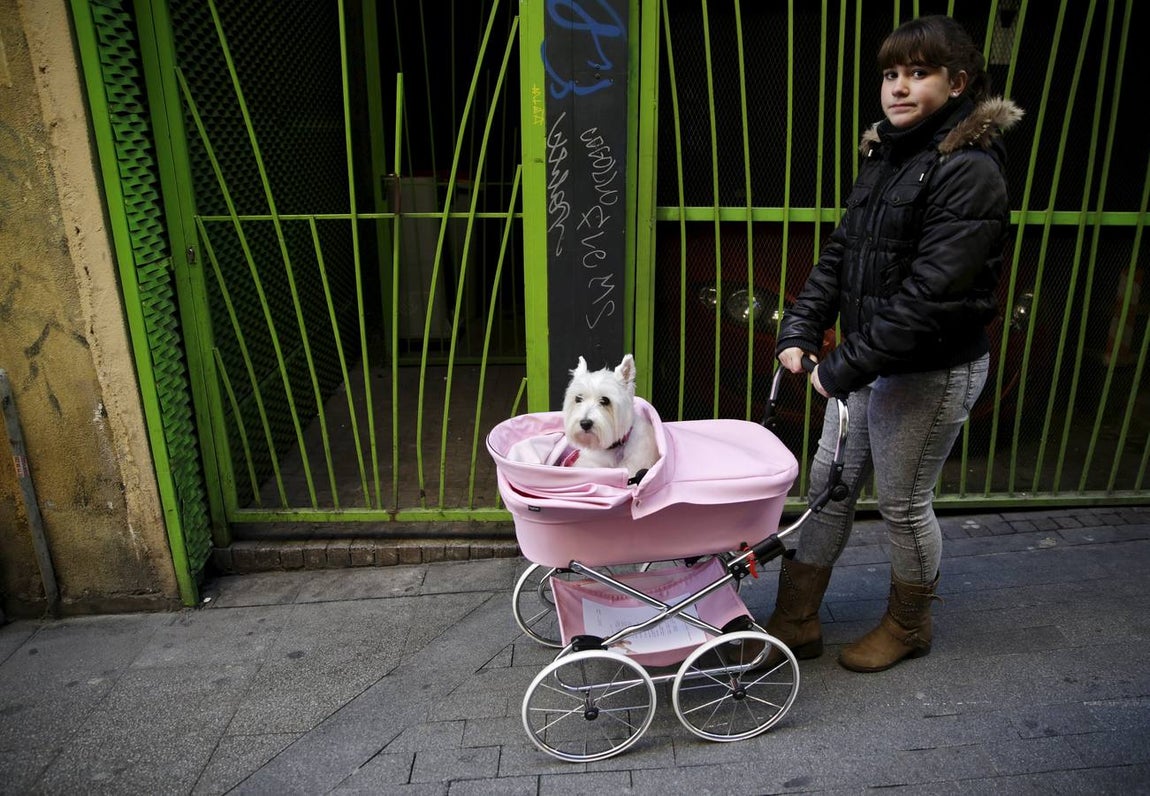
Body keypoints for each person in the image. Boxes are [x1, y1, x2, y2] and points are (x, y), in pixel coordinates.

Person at [769, 15, 1023, 673]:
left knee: (903, 503)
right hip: (871, 360)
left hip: (931, 370)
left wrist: (844, 364)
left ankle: (910, 625)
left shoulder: (971, 171)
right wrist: (800, 328)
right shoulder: (889, 153)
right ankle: (795, 619)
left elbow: (930, 297)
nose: (899, 88)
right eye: (890, 74)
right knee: (829, 483)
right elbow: (842, 252)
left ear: (958, 82)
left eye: (919, 73)